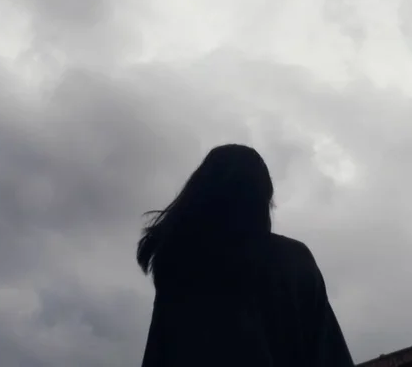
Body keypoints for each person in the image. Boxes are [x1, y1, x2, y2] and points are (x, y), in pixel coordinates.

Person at [137, 143, 354, 366]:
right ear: (262, 199)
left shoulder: (179, 268)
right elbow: (330, 353)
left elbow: (157, 354)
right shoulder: (294, 261)